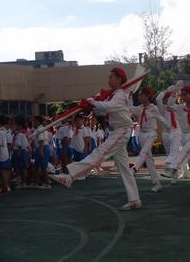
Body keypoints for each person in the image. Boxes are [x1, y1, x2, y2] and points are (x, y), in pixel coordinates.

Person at [50, 67, 142, 211]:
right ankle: (134, 199)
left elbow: (109, 107)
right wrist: (91, 105)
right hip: (117, 131)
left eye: (111, 77)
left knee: (99, 153)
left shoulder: (119, 94)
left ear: (119, 79)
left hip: (122, 130)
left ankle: (71, 177)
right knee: (124, 168)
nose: (108, 79)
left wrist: (93, 102)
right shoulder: (114, 95)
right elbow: (102, 110)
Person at [130, 87, 168, 193]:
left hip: (151, 133)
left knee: (144, 152)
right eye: (139, 95)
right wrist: (128, 96)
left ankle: (134, 169)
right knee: (149, 159)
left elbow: (160, 118)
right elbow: (129, 107)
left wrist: (168, 126)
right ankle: (157, 183)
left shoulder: (153, 108)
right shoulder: (139, 108)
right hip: (142, 134)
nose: (139, 97)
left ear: (147, 96)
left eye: (141, 95)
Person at [156, 90, 182, 185]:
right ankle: (175, 177)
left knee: (174, 152)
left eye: (169, 98)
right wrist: (166, 90)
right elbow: (158, 99)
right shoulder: (162, 109)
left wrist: (175, 93)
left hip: (177, 131)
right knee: (169, 154)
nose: (168, 100)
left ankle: (171, 170)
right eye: (166, 98)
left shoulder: (177, 107)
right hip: (166, 133)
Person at [32, 116, 51, 189]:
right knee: (37, 166)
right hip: (40, 148)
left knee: (43, 167)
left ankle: (47, 183)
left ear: (37, 122)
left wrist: (41, 151)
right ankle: (35, 182)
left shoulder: (40, 129)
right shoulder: (38, 129)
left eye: (34, 121)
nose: (32, 123)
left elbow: (41, 140)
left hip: (42, 148)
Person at [12, 116, 30, 189]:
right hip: (22, 151)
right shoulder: (20, 133)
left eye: (15, 125)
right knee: (21, 167)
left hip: (21, 152)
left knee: (23, 168)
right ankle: (22, 181)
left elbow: (19, 145)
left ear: (20, 126)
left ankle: (23, 183)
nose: (14, 126)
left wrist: (19, 153)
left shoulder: (20, 134)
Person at [0, 115, 12, 194]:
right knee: (5, 172)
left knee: (2, 172)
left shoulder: (0, 132)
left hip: (1, 155)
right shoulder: (4, 132)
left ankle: (5, 187)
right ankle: (6, 186)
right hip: (5, 154)